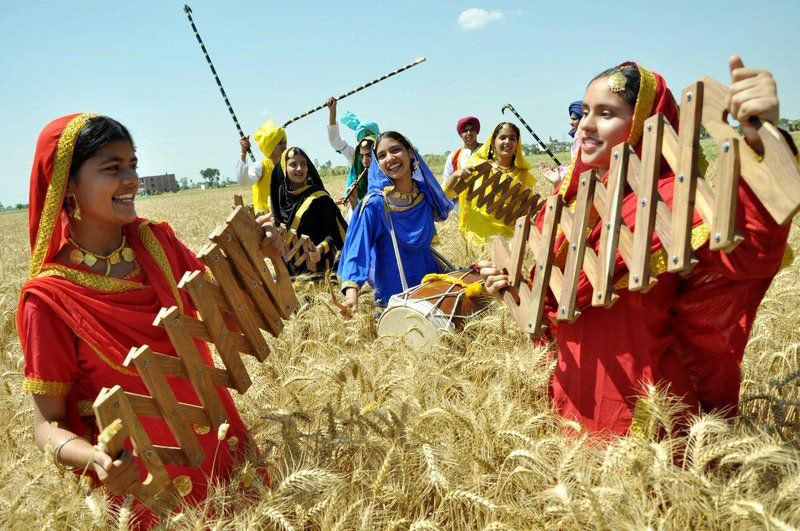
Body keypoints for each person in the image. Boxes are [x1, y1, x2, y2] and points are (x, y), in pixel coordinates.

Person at [479, 57, 796, 436]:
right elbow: (556, 309)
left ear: (644, 124)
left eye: (606, 113)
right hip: (573, 391)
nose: (586, 124)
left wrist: (762, 137)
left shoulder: (673, 203)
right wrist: (513, 289)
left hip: (640, 404)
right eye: (585, 112)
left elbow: (750, 250)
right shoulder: (571, 208)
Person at [18, 114, 280, 527]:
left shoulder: (158, 243)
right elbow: (47, 424)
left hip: (223, 451)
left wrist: (258, 256)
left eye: (133, 164)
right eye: (112, 168)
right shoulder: (48, 299)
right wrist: (94, 458)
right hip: (146, 487)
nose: (131, 180)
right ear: (67, 185)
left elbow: (230, 320)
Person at [338, 132, 454, 310]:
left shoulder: (424, 194)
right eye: (381, 156)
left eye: (395, 150)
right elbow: (357, 250)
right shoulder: (375, 204)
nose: (390, 158)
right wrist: (351, 295)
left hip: (431, 286)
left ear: (410, 153)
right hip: (396, 295)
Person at [445, 122, 537, 244]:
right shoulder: (477, 166)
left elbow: (527, 213)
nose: (507, 142)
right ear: (493, 142)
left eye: (512, 138)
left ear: (517, 144)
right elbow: (444, 196)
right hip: (476, 242)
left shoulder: (523, 176)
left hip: (507, 243)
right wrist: (454, 176)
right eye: (502, 138)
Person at [269, 146, 348, 275]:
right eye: (293, 164)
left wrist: (320, 249)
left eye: (303, 164)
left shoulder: (319, 198)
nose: (299, 168)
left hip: (319, 271)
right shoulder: (279, 201)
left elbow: (335, 233)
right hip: (288, 273)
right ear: (284, 169)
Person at [326, 97, 379, 209]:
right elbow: (335, 141)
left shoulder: (385, 159)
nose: (365, 160)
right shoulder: (355, 156)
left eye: (371, 136)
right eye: (363, 136)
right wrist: (332, 112)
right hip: (358, 207)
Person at [236, 119, 287, 214]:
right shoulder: (261, 166)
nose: (284, 146)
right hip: (264, 218)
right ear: (270, 145)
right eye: (280, 143)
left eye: (285, 143)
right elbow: (244, 182)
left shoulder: (289, 167)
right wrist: (243, 152)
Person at [539, 100, 583, 188]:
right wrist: (564, 170)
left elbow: (582, 173)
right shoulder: (576, 142)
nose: (570, 123)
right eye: (571, 119)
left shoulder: (586, 144)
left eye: (574, 119)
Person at [441, 116, 480, 184]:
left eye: (471, 130)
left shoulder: (488, 150)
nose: (468, 133)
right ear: (460, 135)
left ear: (476, 132)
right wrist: (455, 175)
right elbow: (445, 182)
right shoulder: (454, 156)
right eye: (465, 131)